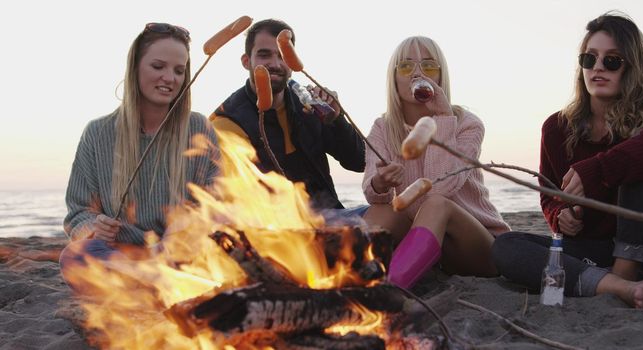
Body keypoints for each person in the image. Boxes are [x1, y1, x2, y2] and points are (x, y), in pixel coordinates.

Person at [492, 12, 643, 308]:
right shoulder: (557, 128)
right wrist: (561, 215)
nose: (598, 68)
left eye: (612, 60)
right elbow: (550, 195)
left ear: (632, 67)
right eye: (589, 59)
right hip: (597, 250)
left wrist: (598, 170)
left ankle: (626, 272)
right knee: (506, 247)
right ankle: (618, 285)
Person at [60, 23, 221, 291]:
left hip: (181, 254)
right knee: (75, 256)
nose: (170, 78)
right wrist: (93, 227)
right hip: (122, 255)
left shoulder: (198, 128)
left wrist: (187, 225)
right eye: (158, 66)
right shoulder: (98, 133)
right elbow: (78, 211)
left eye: (179, 71)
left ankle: (151, 281)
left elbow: (216, 200)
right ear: (135, 67)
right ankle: (154, 280)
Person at [362, 36, 510, 289]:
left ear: (441, 77)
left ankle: (391, 289)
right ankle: (348, 277)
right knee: (381, 211)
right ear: (394, 77)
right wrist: (380, 182)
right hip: (430, 248)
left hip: (478, 246)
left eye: (429, 66)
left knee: (436, 204)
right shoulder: (383, 127)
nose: (418, 73)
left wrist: (442, 117)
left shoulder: (466, 124)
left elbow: (441, 188)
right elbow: (373, 194)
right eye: (407, 66)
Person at [209, 19, 367, 221]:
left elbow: (360, 161)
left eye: (283, 56)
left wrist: (337, 120)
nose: (275, 64)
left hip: (330, 216)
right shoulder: (228, 119)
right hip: (275, 227)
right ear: (246, 61)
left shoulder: (309, 104)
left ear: (292, 64)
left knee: (390, 214)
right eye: (264, 55)